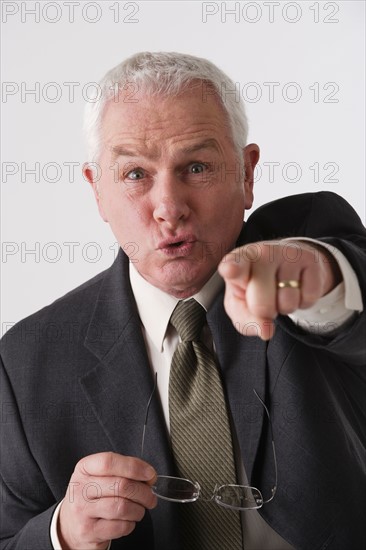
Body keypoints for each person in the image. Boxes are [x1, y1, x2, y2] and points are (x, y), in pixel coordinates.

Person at [1, 52, 365, 550]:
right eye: (134, 174)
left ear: (246, 173)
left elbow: (348, 283)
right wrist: (60, 532)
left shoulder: (305, 255)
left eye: (196, 166)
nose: (169, 207)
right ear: (97, 191)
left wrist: (318, 278)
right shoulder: (25, 362)